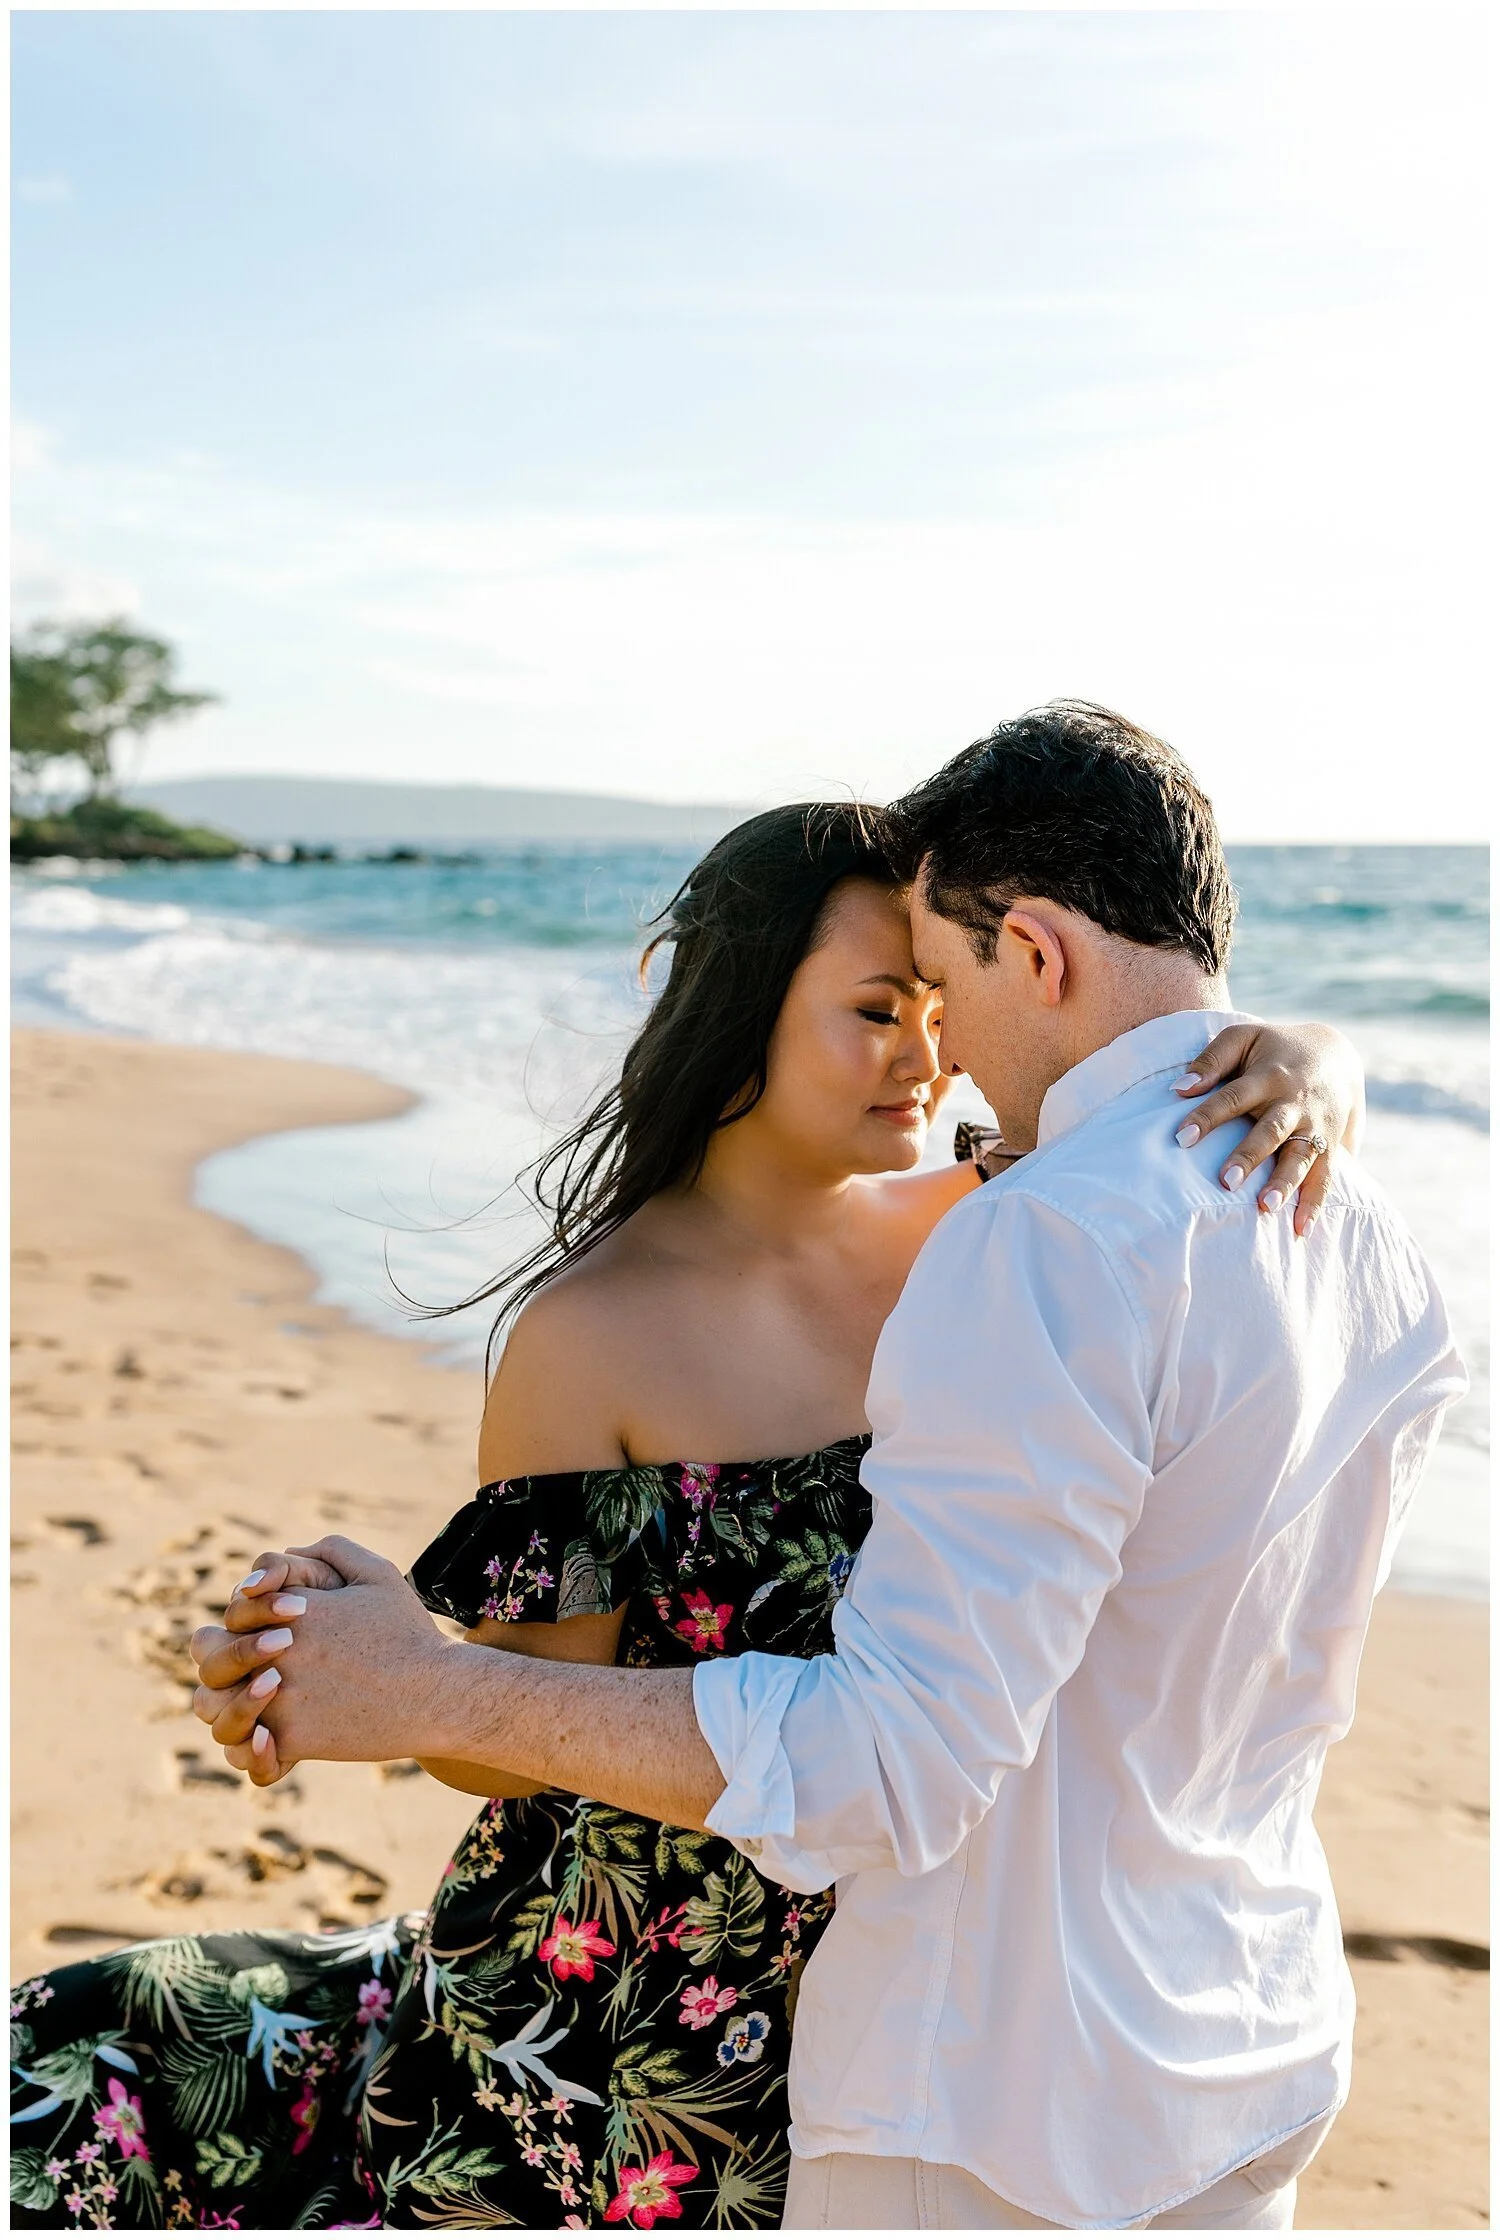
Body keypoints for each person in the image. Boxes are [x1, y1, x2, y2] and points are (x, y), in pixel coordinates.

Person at [14, 773, 1370, 2231]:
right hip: (624, 1993)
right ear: (726, 1001)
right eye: (872, 1009)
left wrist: (1316, 1062)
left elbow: (1171, 1084)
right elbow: (517, 1737)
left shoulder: (995, 1230)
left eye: (934, 1003)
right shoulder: (595, 1332)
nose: (927, 1055)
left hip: (926, 2004)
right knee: (76, 2055)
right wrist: (362, 1669)